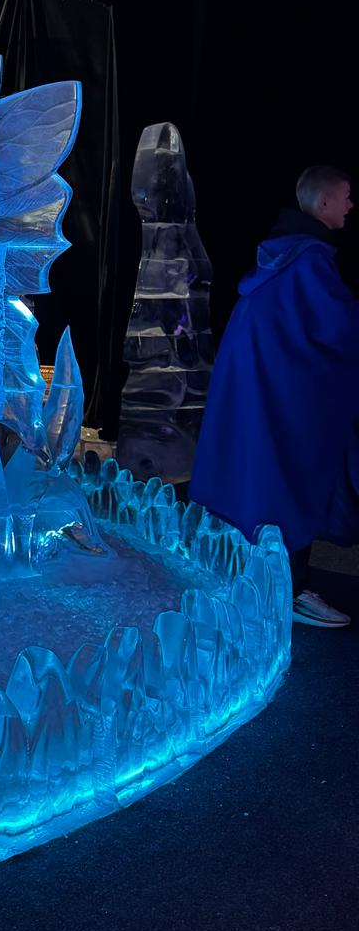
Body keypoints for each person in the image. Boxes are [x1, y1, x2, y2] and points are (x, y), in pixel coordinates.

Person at [190, 166, 359, 626]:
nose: (350, 205)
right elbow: (340, 329)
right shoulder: (308, 262)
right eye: (346, 196)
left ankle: (266, 586)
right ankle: (290, 592)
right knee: (289, 482)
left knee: (260, 482)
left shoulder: (280, 259)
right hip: (283, 404)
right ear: (323, 203)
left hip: (260, 399)